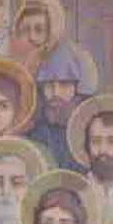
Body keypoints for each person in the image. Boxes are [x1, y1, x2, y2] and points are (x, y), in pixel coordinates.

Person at [30, 41, 94, 170]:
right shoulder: (35, 132)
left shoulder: (91, 130)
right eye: (48, 84)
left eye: (64, 84)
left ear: (77, 87)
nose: (56, 93)